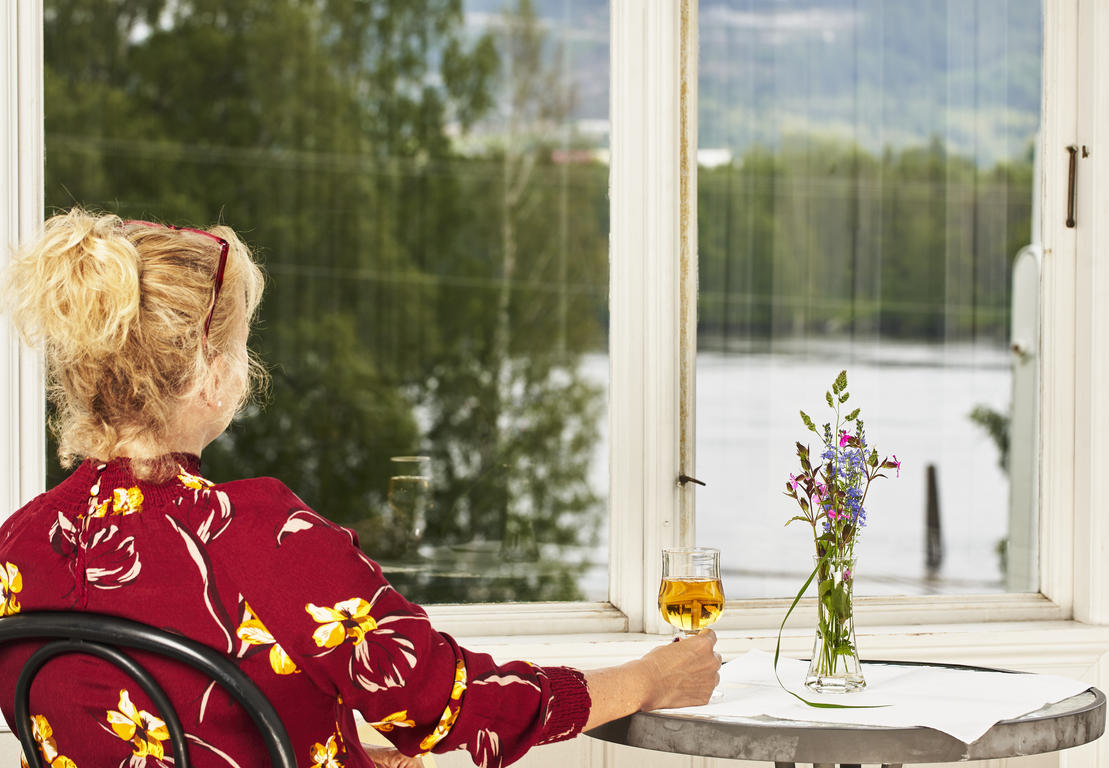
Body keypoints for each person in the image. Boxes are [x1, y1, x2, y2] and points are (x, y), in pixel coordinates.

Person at [0, 209, 720, 768]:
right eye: (242, 342)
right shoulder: (260, 534)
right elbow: (448, 705)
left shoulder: (18, 546)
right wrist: (653, 677)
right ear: (205, 370)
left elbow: (159, 729)